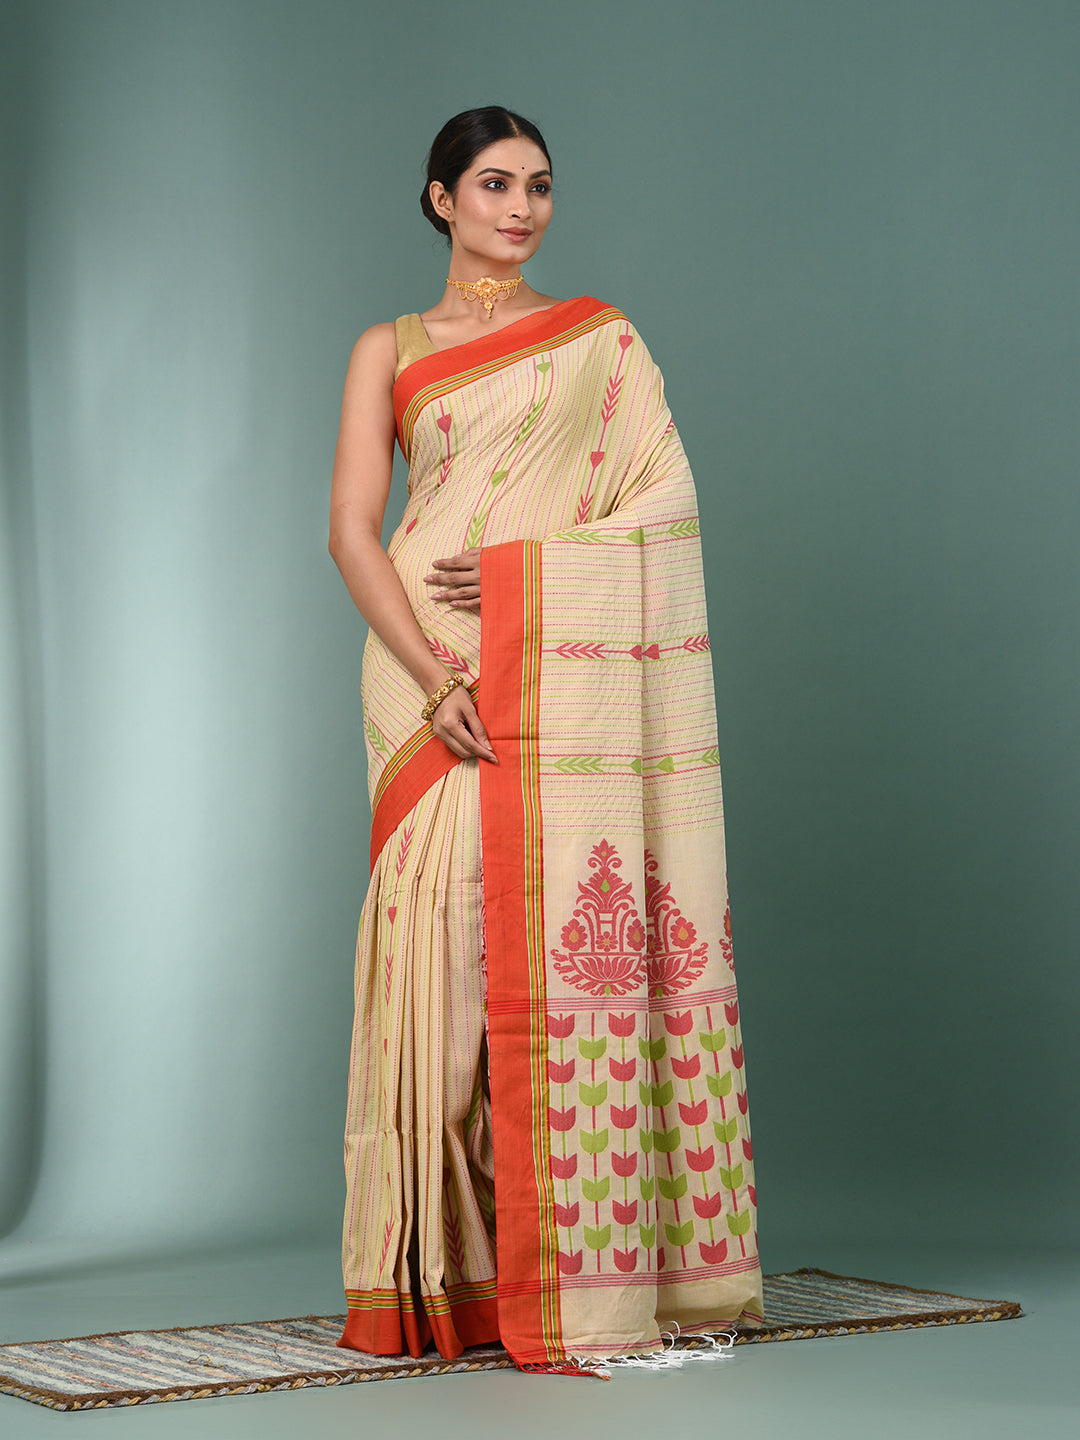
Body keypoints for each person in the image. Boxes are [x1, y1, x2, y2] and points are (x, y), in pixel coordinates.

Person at [328, 105, 762, 1373]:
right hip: (425, 665)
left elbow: (666, 503)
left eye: (539, 186)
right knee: (437, 964)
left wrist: (529, 572)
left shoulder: (600, 341)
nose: (520, 209)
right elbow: (354, 529)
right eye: (494, 185)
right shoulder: (388, 347)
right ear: (440, 199)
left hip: (558, 659)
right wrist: (431, 675)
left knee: (543, 942)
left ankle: (559, 1270)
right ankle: (440, 1279)